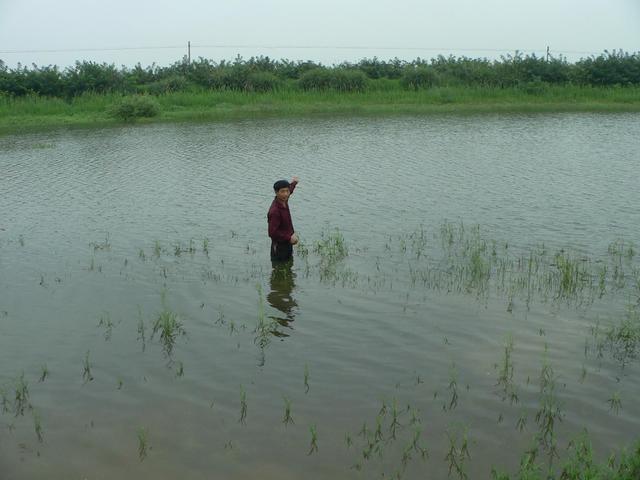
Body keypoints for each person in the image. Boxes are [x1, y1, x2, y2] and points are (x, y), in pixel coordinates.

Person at [267, 176, 299, 262]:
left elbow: (290, 190)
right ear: (276, 192)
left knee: (288, 265)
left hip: (287, 243)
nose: (285, 194)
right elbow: (272, 233)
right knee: (279, 268)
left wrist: (294, 183)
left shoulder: (284, 200)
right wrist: (289, 238)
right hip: (279, 246)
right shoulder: (274, 211)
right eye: (282, 191)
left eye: (287, 191)